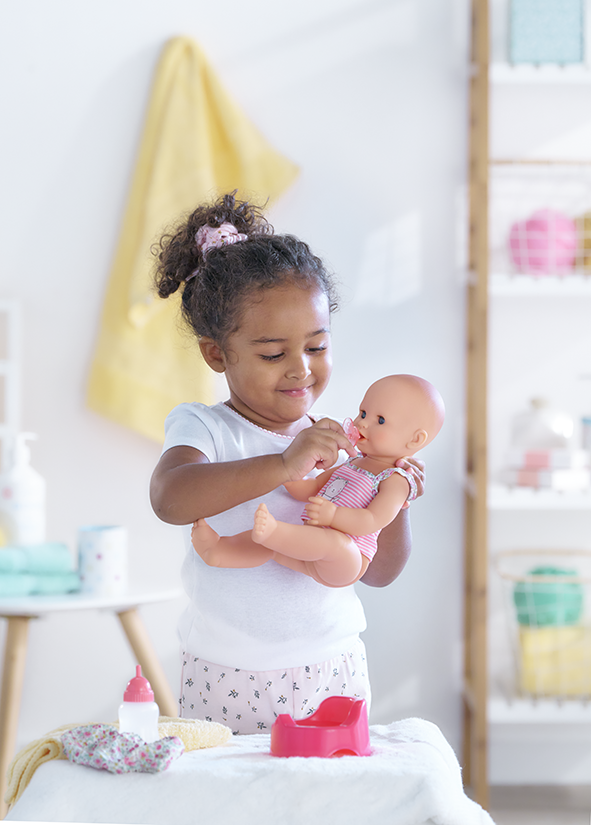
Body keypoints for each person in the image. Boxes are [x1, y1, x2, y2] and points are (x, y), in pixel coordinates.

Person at [149, 192, 426, 733]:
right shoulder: (205, 427)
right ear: (216, 353)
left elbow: (382, 572)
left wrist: (394, 484)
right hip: (223, 673)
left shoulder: (337, 443)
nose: (300, 369)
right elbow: (170, 498)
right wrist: (283, 464)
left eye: (317, 347)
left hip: (331, 668)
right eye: (273, 354)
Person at [191, 374, 444, 588]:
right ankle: (220, 550)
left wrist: (333, 516)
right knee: (274, 546)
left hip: (347, 560)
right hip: (311, 544)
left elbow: (373, 520)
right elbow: (315, 487)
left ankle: (274, 532)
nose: (361, 423)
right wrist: (289, 475)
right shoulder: (351, 462)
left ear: (414, 440)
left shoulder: (396, 479)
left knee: (317, 540)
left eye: (379, 420)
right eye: (363, 412)